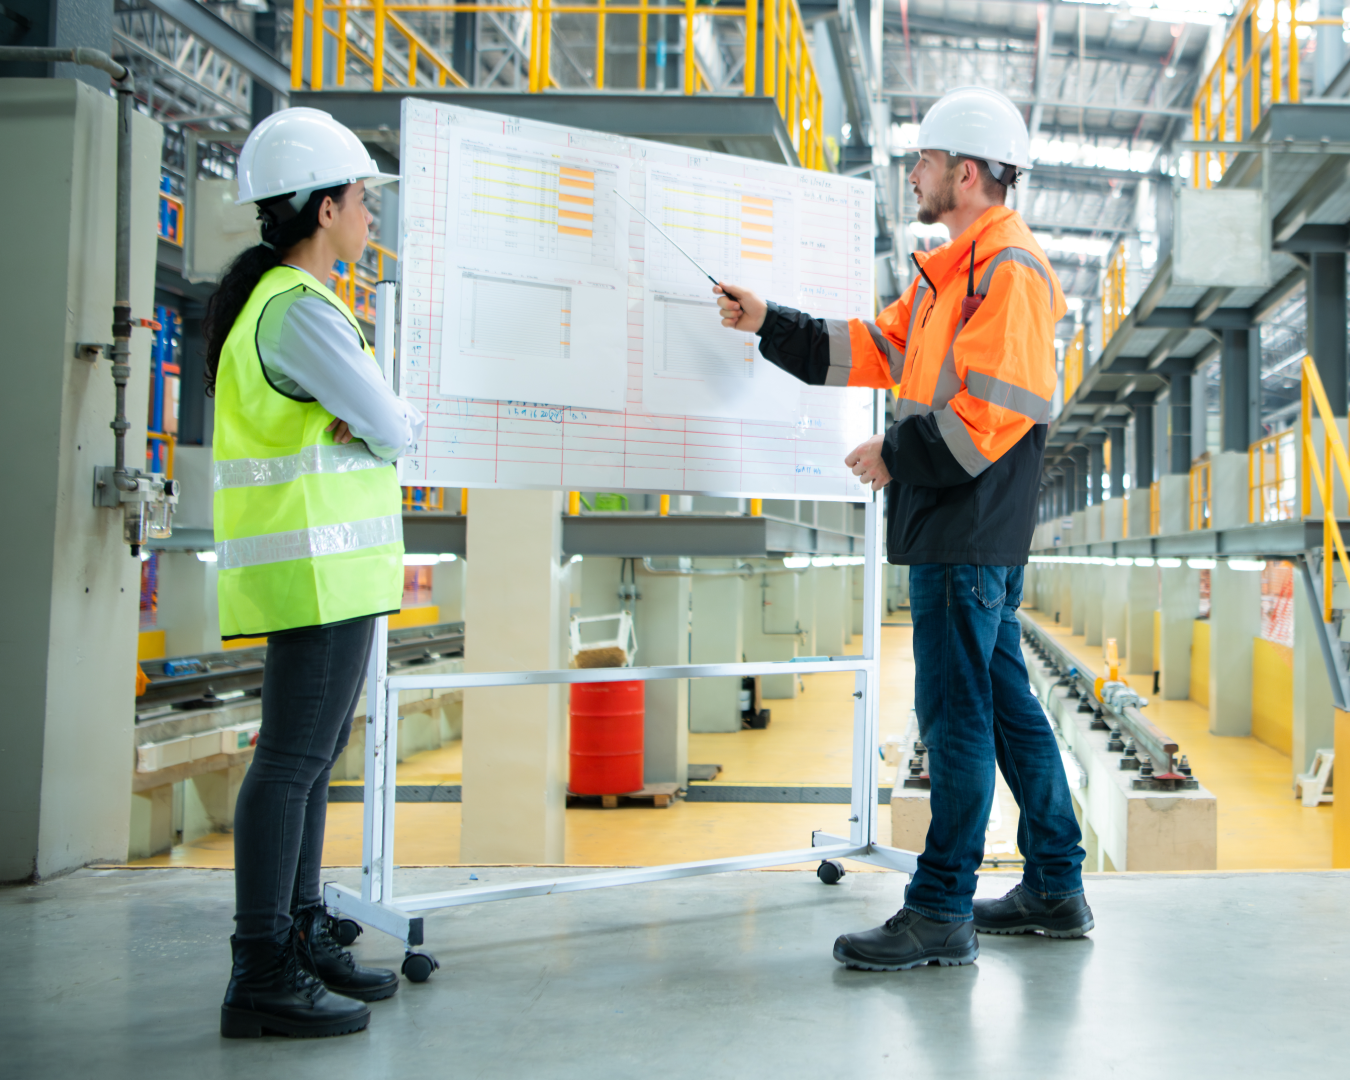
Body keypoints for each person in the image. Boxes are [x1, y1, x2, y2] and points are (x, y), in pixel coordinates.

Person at [715, 86, 1091, 971]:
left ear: (964, 174)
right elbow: (863, 348)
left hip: (966, 536)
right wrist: (769, 322)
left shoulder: (1011, 272)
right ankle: (1055, 884)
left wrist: (895, 451)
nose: (912, 175)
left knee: (955, 721)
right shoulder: (944, 280)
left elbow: (989, 416)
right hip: (954, 534)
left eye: (921, 161)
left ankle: (939, 911)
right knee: (1004, 715)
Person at [202, 107, 426, 1036]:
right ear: (324, 209)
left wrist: (367, 418)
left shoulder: (301, 304)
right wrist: (374, 419)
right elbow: (396, 425)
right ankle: (260, 966)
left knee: (307, 760)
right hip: (314, 576)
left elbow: (373, 421)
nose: (371, 212)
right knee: (290, 762)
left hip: (332, 574)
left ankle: (294, 935)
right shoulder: (295, 309)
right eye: (363, 197)